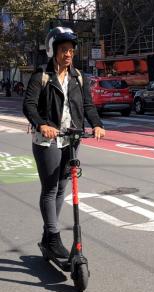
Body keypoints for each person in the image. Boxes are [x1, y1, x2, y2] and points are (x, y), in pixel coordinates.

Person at [23, 27, 105, 259]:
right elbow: (28, 106)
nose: (68, 54)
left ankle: (49, 234)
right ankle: (53, 235)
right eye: (63, 50)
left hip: (71, 139)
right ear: (53, 51)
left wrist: (96, 124)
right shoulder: (42, 76)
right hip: (47, 141)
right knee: (50, 189)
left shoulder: (78, 77)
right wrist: (42, 125)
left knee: (61, 187)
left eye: (70, 50)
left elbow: (88, 106)